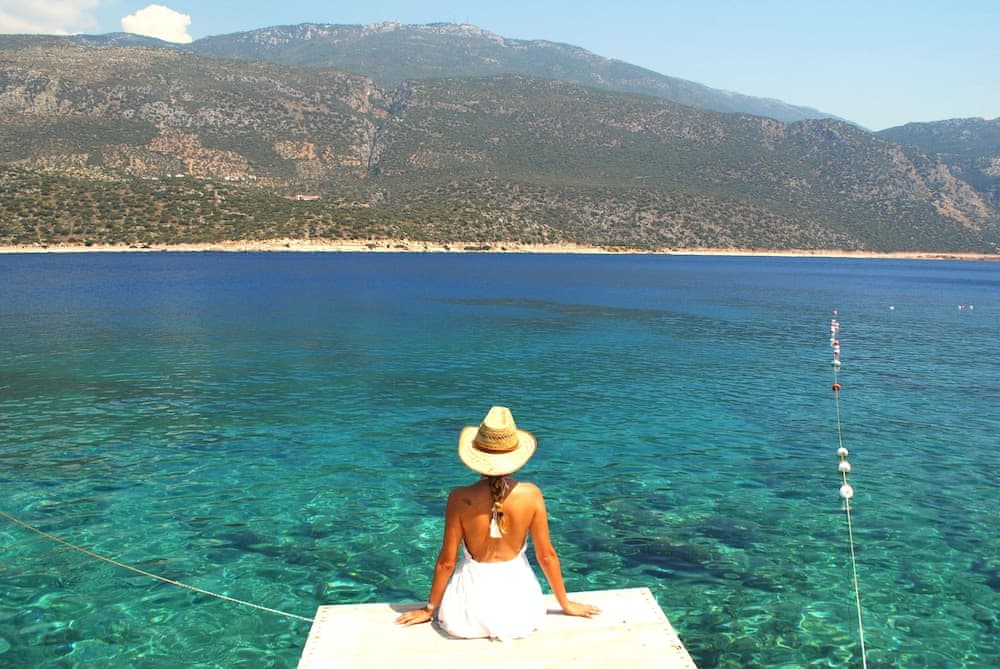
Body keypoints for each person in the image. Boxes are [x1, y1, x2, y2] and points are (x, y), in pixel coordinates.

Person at [395, 406, 600, 639]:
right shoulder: (532, 494)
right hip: (520, 610)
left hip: (466, 612)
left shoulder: (459, 498)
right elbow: (547, 556)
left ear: (477, 455)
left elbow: (446, 562)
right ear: (515, 456)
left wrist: (429, 609)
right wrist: (565, 603)